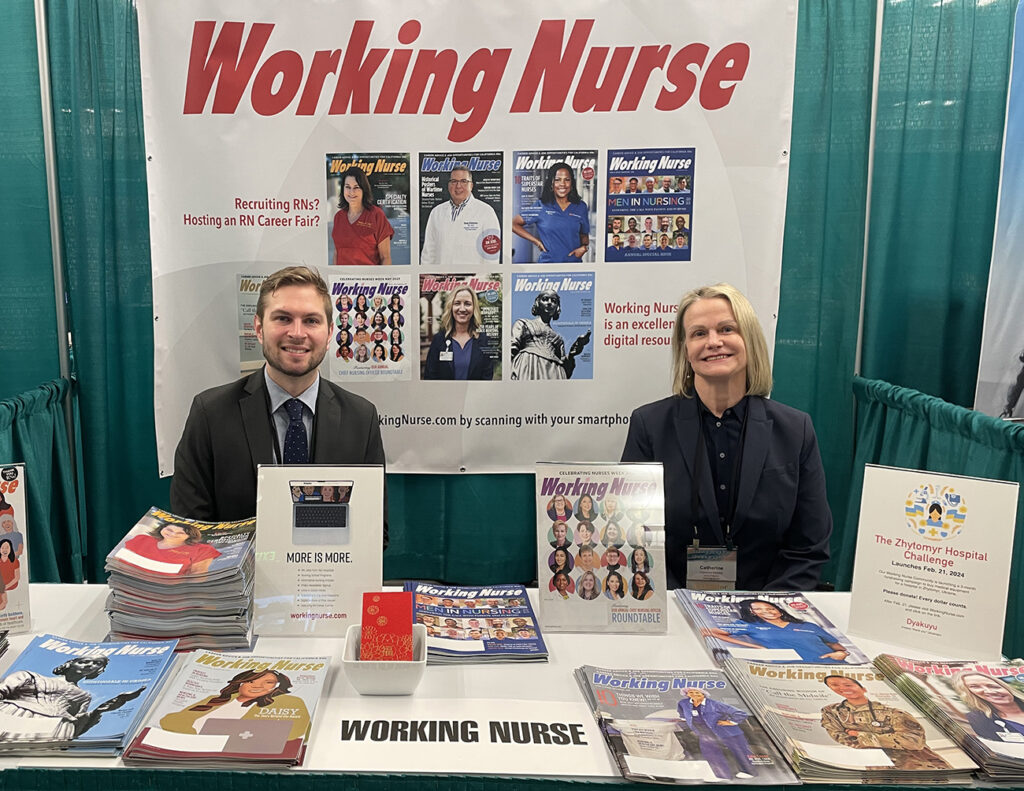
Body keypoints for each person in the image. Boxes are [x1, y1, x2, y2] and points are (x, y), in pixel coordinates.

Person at [621, 282, 831, 590]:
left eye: (727, 329)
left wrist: (762, 615)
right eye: (699, 333)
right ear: (686, 350)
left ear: (750, 340)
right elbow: (632, 537)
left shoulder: (795, 430)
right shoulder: (649, 426)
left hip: (766, 614)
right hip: (673, 608)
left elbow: (808, 548)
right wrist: (676, 609)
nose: (713, 342)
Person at [170, 267, 387, 539]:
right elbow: (192, 529)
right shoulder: (210, 415)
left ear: (330, 332)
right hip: (240, 580)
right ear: (259, 328)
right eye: (283, 318)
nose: (297, 333)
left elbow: (374, 532)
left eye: (311, 320)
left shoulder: (361, 418)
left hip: (328, 577)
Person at [820, 675, 950, 770]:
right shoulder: (832, 712)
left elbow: (912, 742)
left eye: (848, 685)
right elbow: (839, 736)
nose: (842, 688)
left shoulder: (893, 712)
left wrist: (860, 735)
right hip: (879, 770)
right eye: (835, 685)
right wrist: (888, 738)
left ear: (863, 689)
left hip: (922, 767)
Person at [0, 656, 143, 740]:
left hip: (58, 728)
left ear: (98, 670)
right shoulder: (29, 676)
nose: (90, 664)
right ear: (69, 664)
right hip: (17, 716)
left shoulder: (85, 696)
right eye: (83, 661)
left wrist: (104, 708)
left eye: (97, 663)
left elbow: (78, 727)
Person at [160, 669, 310, 741]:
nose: (257, 686)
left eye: (268, 682)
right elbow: (171, 720)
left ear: (276, 686)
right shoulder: (215, 699)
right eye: (251, 681)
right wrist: (194, 739)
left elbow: (295, 732)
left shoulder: (289, 702)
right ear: (239, 684)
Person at [701, 598, 850, 662]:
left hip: (829, 665)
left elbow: (839, 647)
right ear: (753, 612)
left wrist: (841, 653)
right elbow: (709, 631)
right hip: (787, 668)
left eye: (770, 608)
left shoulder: (809, 626)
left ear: (779, 610)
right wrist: (757, 646)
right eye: (759, 609)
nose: (768, 611)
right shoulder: (748, 625)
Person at [421, 167, 500, 265]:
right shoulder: (436, 212)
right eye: (454, 181)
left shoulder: (486, 212)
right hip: (440, 278)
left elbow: (491, 254)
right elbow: (428, 253)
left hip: (473, 279)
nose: (458, 186)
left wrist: (484, 278)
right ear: (449, 185)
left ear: (471, 185)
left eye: (464, 181)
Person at [513, 162, 590, 263]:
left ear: (572, 183)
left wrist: (584, 248)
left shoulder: (581, 207)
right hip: (547, 265)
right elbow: (514, 224)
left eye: (567, 180)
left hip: (573, 266)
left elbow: (584, 236)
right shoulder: (541, 206)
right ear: (551, 183)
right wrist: (537, 242)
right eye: (557, 180)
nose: (562, 184)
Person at [677, 688, 757, 780]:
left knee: (739, 750)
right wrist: (685, 721)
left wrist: (731, 722)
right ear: (687, 694)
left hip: (726, 731)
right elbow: (682, 713)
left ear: (703, 694)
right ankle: (722, 775)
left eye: (697, 692)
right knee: (710, 753)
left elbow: (740, 713)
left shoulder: (715, 704)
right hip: (704, 732)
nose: (694, 694)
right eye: (691, 692)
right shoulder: (683, 703)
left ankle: (749, 772)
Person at [510, 290, 591, 380]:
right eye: (545, 299)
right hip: (530, 365)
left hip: (554, 372)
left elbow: (566, 371)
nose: (549, 303)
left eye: (554, 301)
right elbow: (511, 350)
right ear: (538, 303)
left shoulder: (559, 339)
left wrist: (573, 354)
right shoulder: (523, 324)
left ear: (557, 307)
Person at [424, 286, 494, 380]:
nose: (462, 309)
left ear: (474, 308)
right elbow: (430, 377)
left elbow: (487, 378)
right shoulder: (439, 340)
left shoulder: (484, 340)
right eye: (457, 303)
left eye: (467, 304)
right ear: (451, 307)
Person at [331, 166, 393, 265]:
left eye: (356, 187)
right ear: (343, 189)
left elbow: (385, 257)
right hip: (343, 279)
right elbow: (336, 253)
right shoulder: (338, 217)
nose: (351, 192)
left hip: (369, 278)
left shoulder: (376, 215)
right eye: (348, 187)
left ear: (364, 189)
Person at [117, 520, 221, 576]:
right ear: (162, 528)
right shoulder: (142, 539)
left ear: (190, 536)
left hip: (170, 597)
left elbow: (198, 577)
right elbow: (119, 560)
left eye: (180, 533)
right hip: (130, 586)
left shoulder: (201, 550)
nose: (173, 534)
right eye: (169, 529)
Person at [951, 672, 1024, 741]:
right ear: (969, 693)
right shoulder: (977, 720)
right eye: (975, 686)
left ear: (1004, 686)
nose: (989, 691)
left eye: (993, 686)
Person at [0, 539, 18, 609]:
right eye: (2, 547)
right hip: (1, 585)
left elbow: (17, 577)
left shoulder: (15, 561)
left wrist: (5, 587)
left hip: (10, 585)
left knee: (4, 602)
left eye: (7, 547)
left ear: (11, 549)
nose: (5, 550)